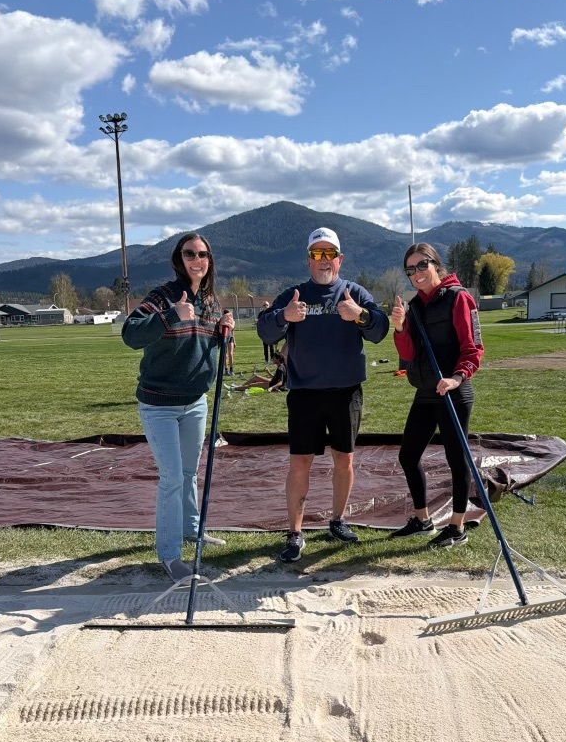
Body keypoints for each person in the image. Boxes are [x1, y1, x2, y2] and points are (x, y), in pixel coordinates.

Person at [257, 227, 389, 562]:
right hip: (305, 394)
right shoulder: (295, 294)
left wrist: (360, 315)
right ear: (308, 260)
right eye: (317, 254)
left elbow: (380, 329)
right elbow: (265, 330)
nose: (324, 260)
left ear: (340, 259)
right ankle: (295, 533)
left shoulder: (354, 292)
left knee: (344, 459)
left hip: (346, 393)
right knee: (300, 462)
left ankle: (338, 520)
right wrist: (284, 316)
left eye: (330, 253)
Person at [122, 233, 234, 581]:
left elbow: (206, 346)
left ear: (209, 260)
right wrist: (170, 316)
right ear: (179, 259)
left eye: (203, 254)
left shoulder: (211, 302)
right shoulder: (164, 297)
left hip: (195, 402)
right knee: (171, 478)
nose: (197, 260)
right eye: (190, 254)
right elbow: (130, 334)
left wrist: (225, 331)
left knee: (189, 473)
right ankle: (170, 555)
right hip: (159, 404)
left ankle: (192, 530)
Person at [390, 243, 484, 549]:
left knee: (456, 459)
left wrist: (457, 378)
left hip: (453, 392)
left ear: (435, 265)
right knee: (408, 456)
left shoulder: (459, 298)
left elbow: (473, 348)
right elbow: (408, 355)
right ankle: (423, 520)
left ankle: (457, 526)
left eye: (422, 265)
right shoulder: (414, 306)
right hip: (426, 392)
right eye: (410, 269)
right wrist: (400, 328)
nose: (416, 273)